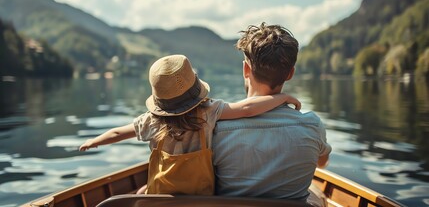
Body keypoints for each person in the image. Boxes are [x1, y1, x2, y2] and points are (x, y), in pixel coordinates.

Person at [79, 54, 301, 195]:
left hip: (161, 197)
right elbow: (247, 108)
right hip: (201, 197)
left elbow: (119, 132)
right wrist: (281, 98)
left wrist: (95, 141)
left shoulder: (151, 121)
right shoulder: (209, 112)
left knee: (139, 194)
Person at [212, 23, 331, 204]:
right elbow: (321, 163)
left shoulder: (216, 129)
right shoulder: (313, 125)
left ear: (246, 70)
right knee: (317, 193)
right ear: (290, 73)